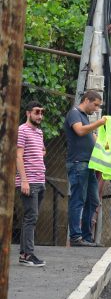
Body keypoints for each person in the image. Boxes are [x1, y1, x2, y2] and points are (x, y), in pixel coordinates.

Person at [64, 90, 108, 246]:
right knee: (78, 199)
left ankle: (87, 237)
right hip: (78, 163)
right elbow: (80, 131)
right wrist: (99, 123)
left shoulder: (84, 117)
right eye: (95, 105)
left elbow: (94, 139)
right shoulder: (74, 113)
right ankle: (76, 237)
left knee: (93, 200)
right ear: (87, 100)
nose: (96, 109)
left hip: (89, 164)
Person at [15, 100, 47, 266]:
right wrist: (24, 181)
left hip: (40, 179)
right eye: (36, 112)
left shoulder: (39, 132)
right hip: (30, 181)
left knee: (31, 218)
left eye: (41, 112)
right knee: (31, 218)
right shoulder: (22, 130)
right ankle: (28, 255)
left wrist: (39, 154)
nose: (39, 115)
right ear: (28, 113)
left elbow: (42, 150)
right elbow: (18, 156)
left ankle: (24, 254)